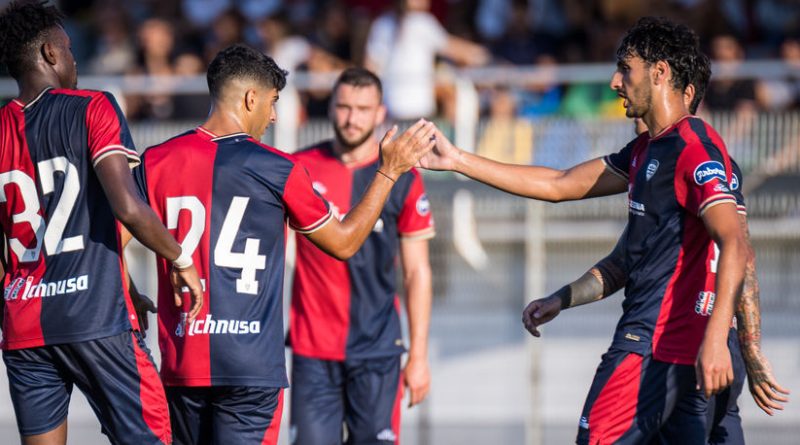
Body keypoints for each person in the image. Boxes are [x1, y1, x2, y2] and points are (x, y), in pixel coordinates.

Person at [420, 17, 747, 443]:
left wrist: (722, 338)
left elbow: (736, 243)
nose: (615, 82)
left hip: (652, 345)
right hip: (670, 349)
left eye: (625, 69)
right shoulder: (646, 150)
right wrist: (458, 160)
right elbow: (559, 184)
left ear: (660, 72)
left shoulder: (693, 150)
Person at [132, 45, 436, 444]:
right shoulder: (281, 167)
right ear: (250, 99)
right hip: (253, 369)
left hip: (183, 360)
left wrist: (133, 295)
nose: (274, 116)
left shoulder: (155, 160)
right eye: (273, 103)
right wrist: (389, 171)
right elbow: (343, 243)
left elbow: (109, 240)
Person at [0, 1, 204, 444]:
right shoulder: (93, 106)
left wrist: (126, 282)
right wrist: (181, 257)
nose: (74, 59)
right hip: (96, 317)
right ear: (51, 54)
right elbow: (127, 207)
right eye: (69, 49)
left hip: (24, 324)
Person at [288, 68, 435, 444]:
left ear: (380, 112)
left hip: (378, 349)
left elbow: (417, 271)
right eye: (343, 107)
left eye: (362, 109)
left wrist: (418, 356)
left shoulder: (402, 176)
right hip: (312, 348)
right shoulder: (297, 168)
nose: (352, 118)